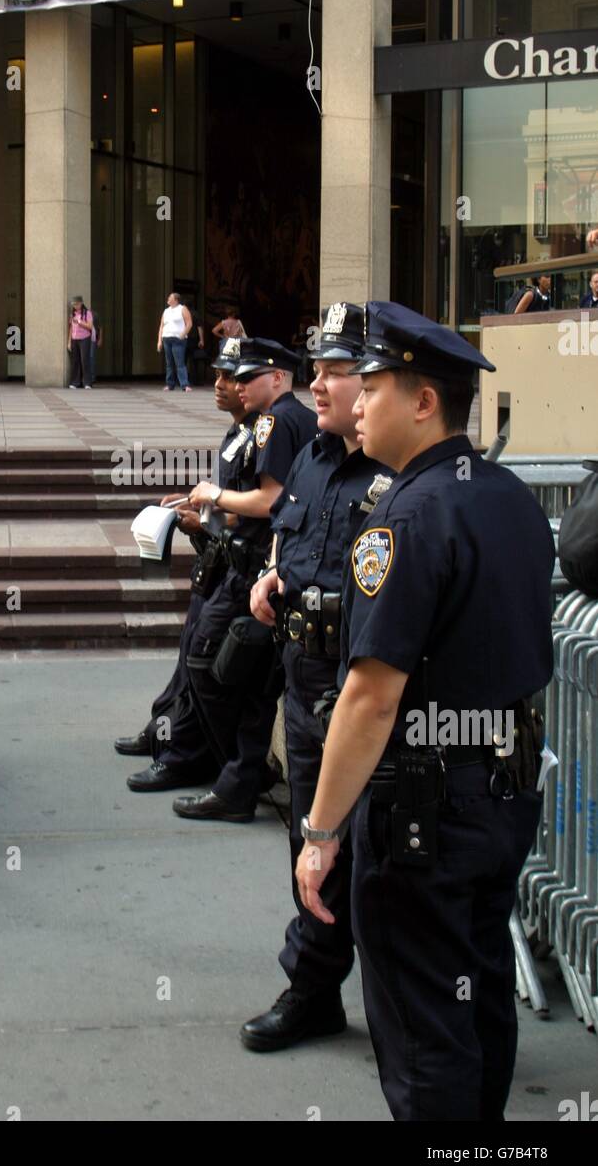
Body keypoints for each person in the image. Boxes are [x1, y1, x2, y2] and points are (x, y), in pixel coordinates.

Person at [294, 300, 554, 1122]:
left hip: (421, 818)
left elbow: (371, 698)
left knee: (422, 1029)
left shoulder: (404, 518)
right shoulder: (509, 496)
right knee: (480, 1002)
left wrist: (322, 832)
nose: (354, 400)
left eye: (371, 384)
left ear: (424, 401)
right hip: (502, 795)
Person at [241, 304, 394, 1052]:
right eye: (320, 370)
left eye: (340, 371)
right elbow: (285, 530)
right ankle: (314, 991)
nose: (322, 385)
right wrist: (270, 576)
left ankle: (404, 1014)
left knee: (380, 858)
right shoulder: (313, 454)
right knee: (312, 845)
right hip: (303, 686)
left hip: (368, 697)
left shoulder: (396, 468)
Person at [173, 339, 318, 822]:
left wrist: (213, 496)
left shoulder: (277, 421)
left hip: (253, 570)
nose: (236, 385)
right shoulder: (282, 421)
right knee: (249, 683)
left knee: (210, 665)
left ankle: (240, 771)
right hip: (261, 564)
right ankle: (240, 777)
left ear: (277, 378)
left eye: (246, 377)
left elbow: (270, 501)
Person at [120, 339, 260, 792]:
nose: (219, 385)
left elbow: (260, 507)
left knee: (204, 660)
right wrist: (194, 519)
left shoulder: (268, 431)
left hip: (244, 569)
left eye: (230, 378)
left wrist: (208, 510)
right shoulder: (238, 432)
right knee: (188, 654)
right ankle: (166, 730)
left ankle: (189, 755)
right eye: (218, 375)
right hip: (219, 560)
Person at [157, 292, 193, 392]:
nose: (168, 299)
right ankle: (170, 384)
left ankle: (185, 385)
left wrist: (183, 334)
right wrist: (159, 340)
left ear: (176, 300)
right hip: (166, 338)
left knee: (179, 363)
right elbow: (161, 326)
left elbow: (189, 323)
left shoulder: (182, 308)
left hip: (178, 340)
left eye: (170, 297)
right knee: (169, 363)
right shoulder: (166, 311)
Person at [67, 296, 94, 389]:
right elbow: (71, 328)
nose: (75, 306)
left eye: (77, 304)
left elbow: (90, 326)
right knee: (75, 361)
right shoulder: (73, 314)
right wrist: (69, 341)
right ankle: (75, 382)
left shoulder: (87, 313)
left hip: (85, 339)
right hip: (75, 339)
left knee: (84, 360)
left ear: (81, 303)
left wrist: (79, 321)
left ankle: (87, 382)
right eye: (74, 304)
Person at [89, 308, 103, 384]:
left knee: (92, 357)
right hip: (84, 338)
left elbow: (100, 327)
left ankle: (92, 377)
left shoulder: (95, 314)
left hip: (93, 339)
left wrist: (100, 339)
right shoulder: (81, 314)